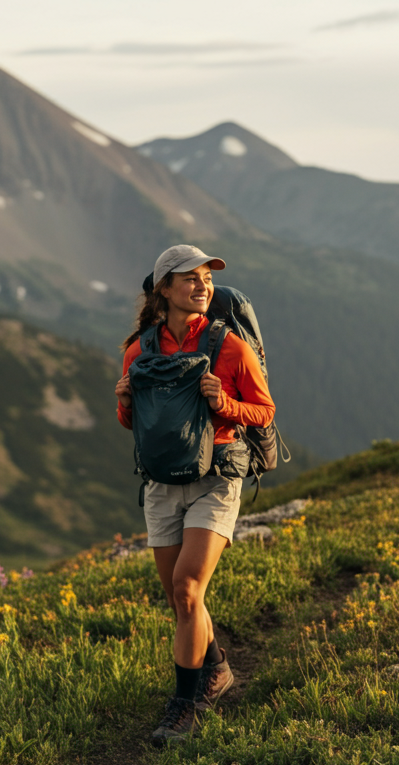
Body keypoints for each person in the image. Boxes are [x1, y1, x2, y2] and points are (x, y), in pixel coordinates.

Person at [114, 244, 276, 744]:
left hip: (217, 476)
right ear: (164, 289)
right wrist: (123, 403)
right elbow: (136, 424)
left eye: (207, 277)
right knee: (183, 600)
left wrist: (223, 403)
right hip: (161, 483)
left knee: (187, 589)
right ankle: (218, 665)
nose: (202, 285)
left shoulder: (229, 346)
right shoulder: (139, 350)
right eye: (190, 278)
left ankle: (184, 707)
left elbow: (264, 412)